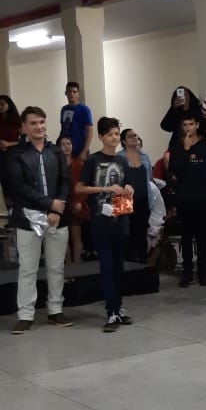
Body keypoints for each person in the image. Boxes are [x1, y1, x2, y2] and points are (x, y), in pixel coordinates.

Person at [7, 106, 73, 334]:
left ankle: (55, 310)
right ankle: (26, 315)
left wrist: (57, 208)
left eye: (42, 122)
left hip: (57, 218)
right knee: (28, 269)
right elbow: (19, 188)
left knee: (56, 267)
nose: (39, 127)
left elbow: (65, 182)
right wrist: (49, 204)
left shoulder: (56, 152)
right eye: (33, 123)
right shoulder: (15, 154)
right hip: (28, 220)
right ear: (24, 127)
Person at [76, 117, 135, 332]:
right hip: (100, 221)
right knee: (107, 265)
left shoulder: (122, 161)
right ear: (101, 137)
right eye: (110, 134)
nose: (114, 138)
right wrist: (105, 189)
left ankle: (118, 308)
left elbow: (128, 184)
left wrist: (129, 189)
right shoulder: (93, 161)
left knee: (119, 267)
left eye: (117, 134)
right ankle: (111, 311)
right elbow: (80, 188)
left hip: (120, 218)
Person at [168, 112, 206, 287]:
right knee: (186, 238)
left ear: (197, 125)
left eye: (191, 124)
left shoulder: (205, 147)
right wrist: (185, 150)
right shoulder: (177, 147)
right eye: (185, 125)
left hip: (202, 198)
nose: (188, 128)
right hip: (184, 198)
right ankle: (187, 273)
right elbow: (176, 171)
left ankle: (203, 273)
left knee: (202, 238)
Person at [118, 128, 151, 263]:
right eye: (130, 136)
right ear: (124, 141)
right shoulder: (119, 157)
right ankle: (126, 265)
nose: (134, 138)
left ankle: (142, 264)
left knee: (141, 234)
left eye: (136, 135)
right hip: (124, 200)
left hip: (143, 200)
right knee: (126, 235)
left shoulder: (144, 156)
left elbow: (149, 178)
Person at [58, 135, 88, 262]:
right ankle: (69, 267)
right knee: (62, 239)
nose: (66, 146)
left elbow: (85, 185)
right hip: (61, 205)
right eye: (63, 144)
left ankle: (77, 267)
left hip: (77, 203)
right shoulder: (55, 165)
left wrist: (80, 202)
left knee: (76, 237)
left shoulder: (79, 164)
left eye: (69, 144)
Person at [59, 82, 94, 161]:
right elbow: (63, 129)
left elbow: (90, 131)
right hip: (66, 150)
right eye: (69, 91)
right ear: (65, 93)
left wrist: (85, 151)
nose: (71, 94)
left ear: (78, 94)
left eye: (74, 92)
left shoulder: (84, 109)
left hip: (80, 149)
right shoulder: (64, 109)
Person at [0, 94, 21, 202]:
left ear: (9, 105)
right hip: (1, 155)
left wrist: (8, 144)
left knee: (14, 181)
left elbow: (25, 141)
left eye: (2, 104)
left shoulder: (17, 121)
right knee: (4, 182)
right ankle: (9, 206)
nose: (0, 107)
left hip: (14, 154)